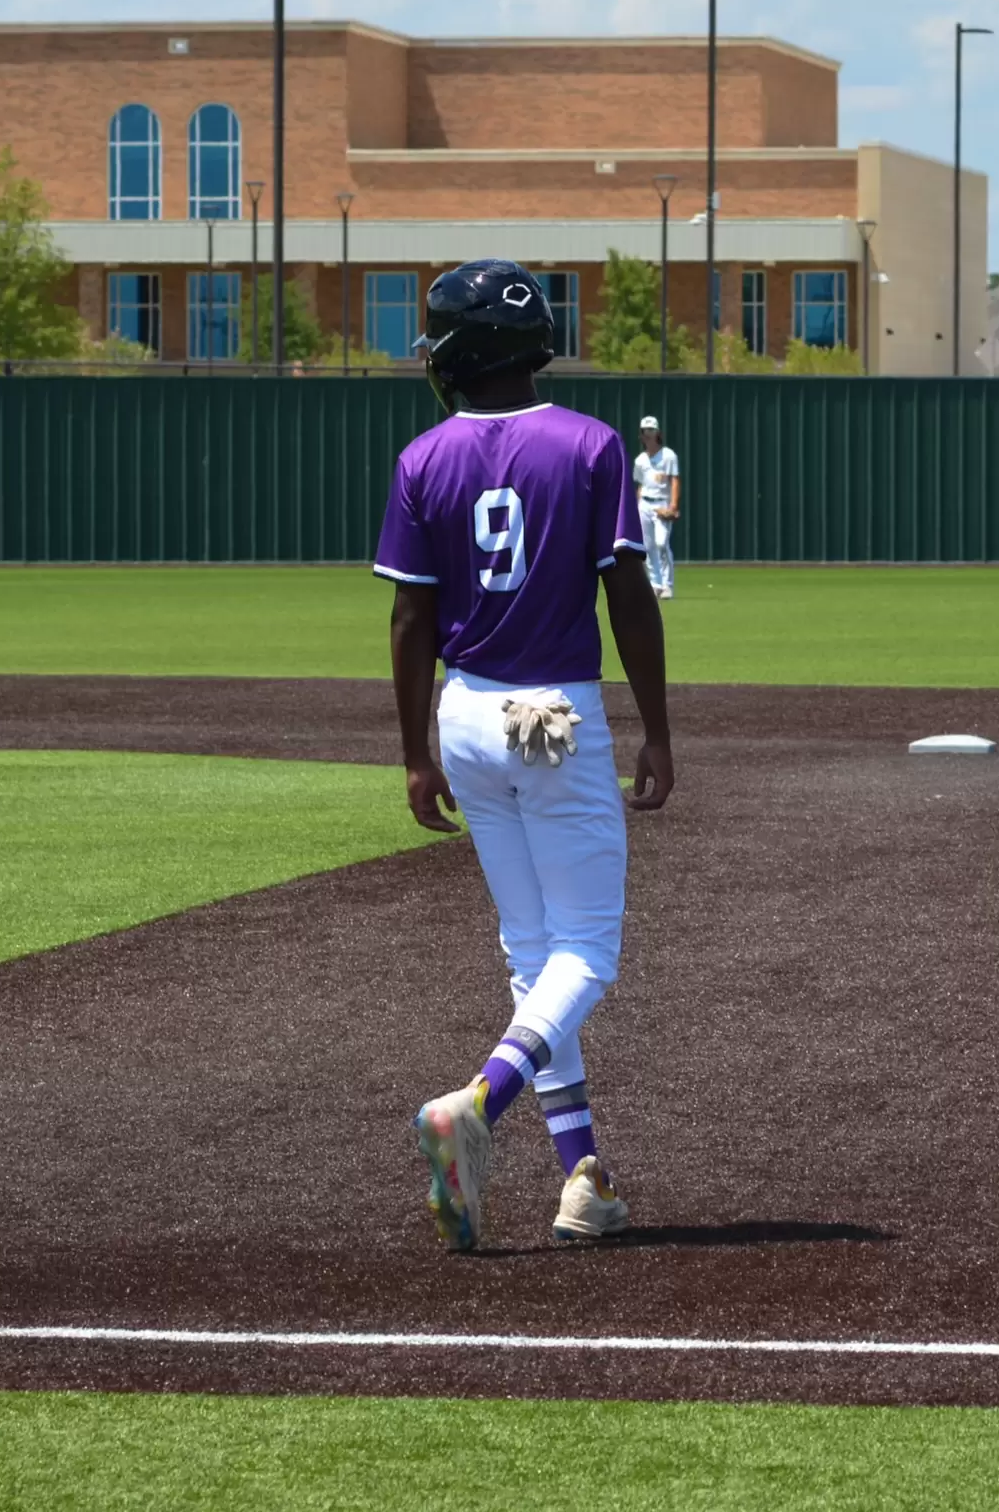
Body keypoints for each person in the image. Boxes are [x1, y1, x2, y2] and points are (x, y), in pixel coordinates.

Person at [374, 259, 675, 1253]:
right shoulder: (589, 444)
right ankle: (477, 1104)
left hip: (465, 714)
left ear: (456, 352)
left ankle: (583, 1179)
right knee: (587, 952)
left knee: (533, 956)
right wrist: (657, 727)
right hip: (555, 716)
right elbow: (627, 596)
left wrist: (414, 753)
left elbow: (410, 618)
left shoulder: (423, 458)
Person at [633, 416, 680, 599]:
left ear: (657, 433)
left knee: (661, 543)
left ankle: (668, 585)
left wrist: (673, 506)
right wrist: (636, 507)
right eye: (645, 431)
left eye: (651, 430)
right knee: (648, 546)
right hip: (645, 503)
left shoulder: (668, 456)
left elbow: (674, 481)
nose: (648, 434)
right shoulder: (640, 460)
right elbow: (640, 485)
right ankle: (656, 584)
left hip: (662, 503)